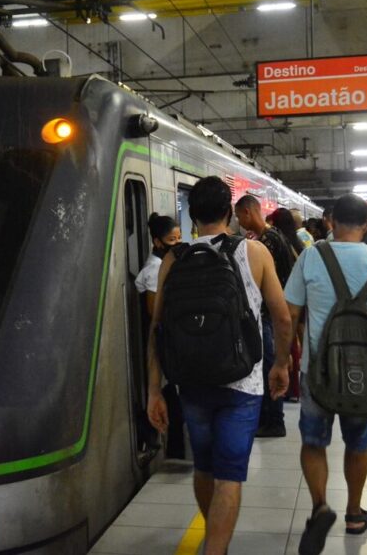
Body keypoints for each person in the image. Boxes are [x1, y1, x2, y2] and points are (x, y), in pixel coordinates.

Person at [146, 176, 293, 555]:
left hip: (191, 381)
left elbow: (157, 329)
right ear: (230, 212)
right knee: (229, 475)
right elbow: (282, 318)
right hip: (242, 383)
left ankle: (215, 541)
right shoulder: (254, 252)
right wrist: (281, 364)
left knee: (204, 467)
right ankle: (216, 548)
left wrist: (153, 390)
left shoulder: (173, 259)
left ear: (192, 215)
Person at [284, 194, 367, 554]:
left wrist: (281, 361)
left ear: (331, 222)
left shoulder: (311, 256)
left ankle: (320, 506)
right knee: (358, 443)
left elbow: (290, 313)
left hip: (316, 370)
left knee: (314, 442)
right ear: (366, 225)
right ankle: (354, 513)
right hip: (363, 373)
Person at [235, 195, 296, 437]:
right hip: (271, 314)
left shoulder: (267, 242)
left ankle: (274, 421)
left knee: (269, 366)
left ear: (248, 212)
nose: (239, 222)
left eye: (239, 216)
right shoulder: (273, 235)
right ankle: (271, 418)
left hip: (269, 314)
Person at [135, 213, 184, 458]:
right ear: (157, 241)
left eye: (179, 238)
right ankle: (172, 450)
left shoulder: (163, 263)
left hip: (167, 345)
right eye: (171, 239)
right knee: (171, 401)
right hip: (162, 345)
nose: (177, 244)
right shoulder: (154, 269)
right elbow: (155, 313)